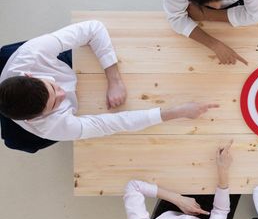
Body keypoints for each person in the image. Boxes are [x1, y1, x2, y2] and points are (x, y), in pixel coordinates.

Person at [0, 21, 218, 141]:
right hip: (30, 129)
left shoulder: (31, 54)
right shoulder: (51, 127)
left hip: (27, 61)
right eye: (55, 104)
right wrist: (178, 112)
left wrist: (113, 78)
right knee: (19, 141)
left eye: (53, 87)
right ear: (35, 119)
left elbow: (93, 28)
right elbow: (114, 124)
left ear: (30, 75)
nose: (63, 94)